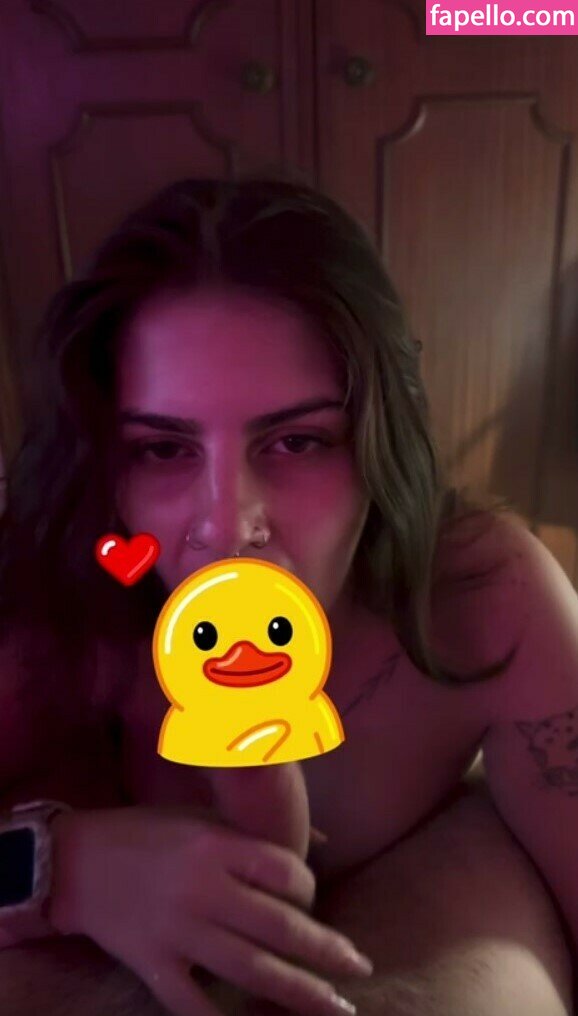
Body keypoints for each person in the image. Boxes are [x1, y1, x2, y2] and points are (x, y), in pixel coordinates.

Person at [0, 173, 574, 1016]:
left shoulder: (483, 597)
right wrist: (64, 867)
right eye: (163, 449)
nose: (227, 526)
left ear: (378, 441)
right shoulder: (56, 610)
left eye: (298, 441)